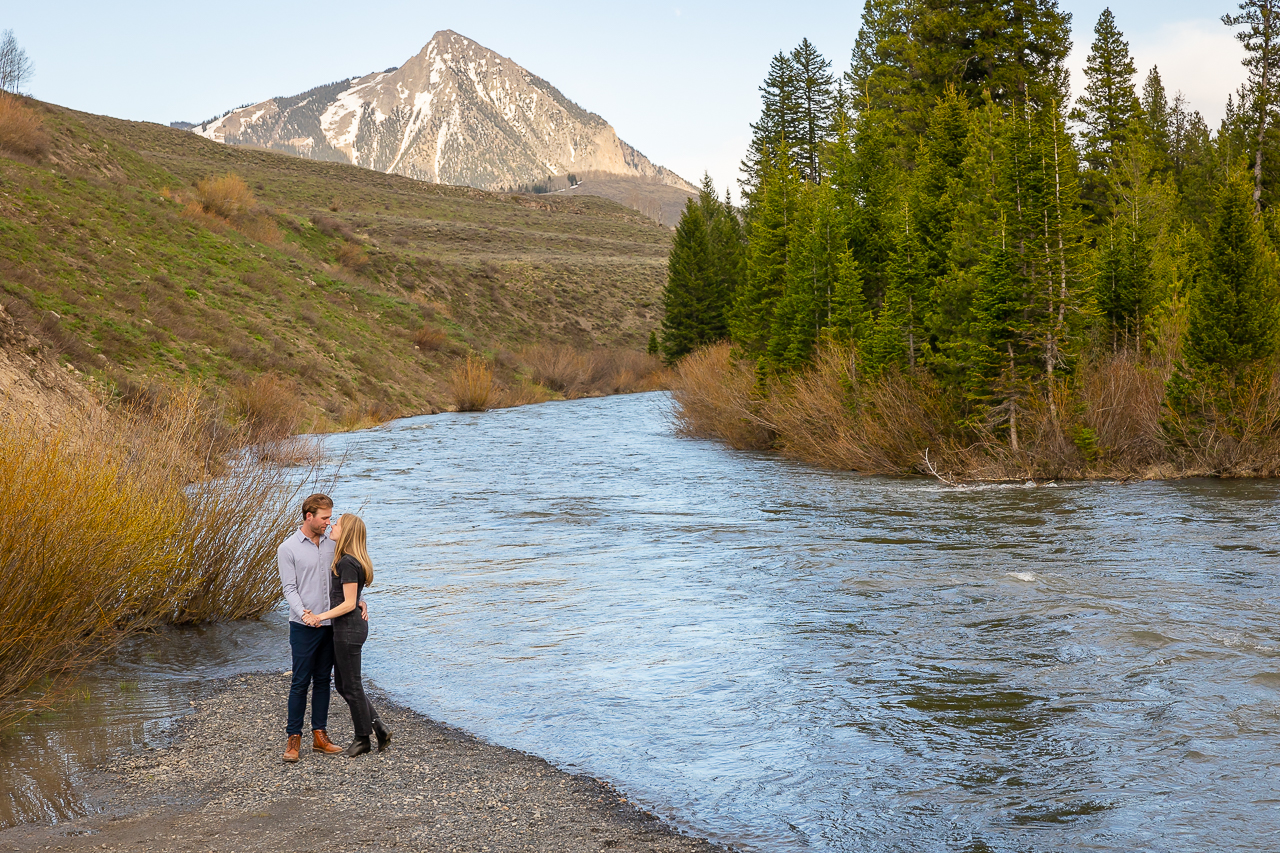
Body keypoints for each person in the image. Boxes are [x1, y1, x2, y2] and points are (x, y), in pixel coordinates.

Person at [276, 493, 366, 763]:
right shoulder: (288, 548)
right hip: (303, 625)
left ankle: (320, 736)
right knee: (300, 682)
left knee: (323, 682)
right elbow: (289, 588)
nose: (329, 522)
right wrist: (304, 614)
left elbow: (346, 580)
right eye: (325, 518)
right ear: (309, 517)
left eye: (330, 518)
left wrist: (360, 601)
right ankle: (294, 738)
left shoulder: (334, 545)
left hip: (331, 626)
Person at [305, 513, 390, 757]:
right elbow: (353, 599)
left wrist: (319, 617)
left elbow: (349, 603)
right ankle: (379, 728)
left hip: (349, 629)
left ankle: (363, 739)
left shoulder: (347, 563)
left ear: (347, 533)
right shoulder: (347, 560)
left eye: (337, 524)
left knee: (351, 685)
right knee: (343, 684)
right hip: (347, 628)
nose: (332, 525)